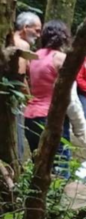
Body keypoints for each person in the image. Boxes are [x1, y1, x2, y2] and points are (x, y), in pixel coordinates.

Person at [24, 20, 86, 178]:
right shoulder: (61, 59)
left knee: (39, 166)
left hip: (30, 117)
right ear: (64, 37)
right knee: (60, 168)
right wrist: (81, 129)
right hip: (52, 118)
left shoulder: (33, 57)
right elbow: (71, 99)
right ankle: (58, 194)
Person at [13, 12, 42, 159]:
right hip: (14, 97)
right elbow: (20, 75)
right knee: (16, 138)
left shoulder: (9, 39)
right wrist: (29, 98)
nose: (38, 35)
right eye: (36, 30)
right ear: (25, 27)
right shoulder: (22, 44)